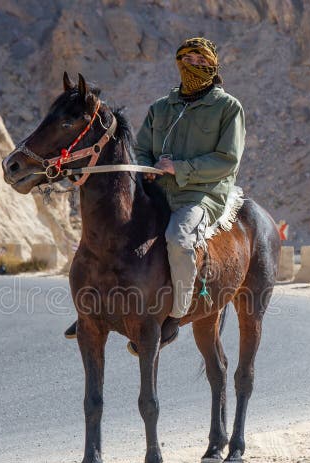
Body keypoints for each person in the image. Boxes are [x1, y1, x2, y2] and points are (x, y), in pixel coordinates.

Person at [65, 37, 246, 354]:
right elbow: (143, 149)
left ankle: (173, 316)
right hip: (158, 190)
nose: (196, 68)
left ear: (214, 67)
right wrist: (147, 167)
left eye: (203, 64)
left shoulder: (228, 108)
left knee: (178, 238)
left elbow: (227, 161)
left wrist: (180, 168)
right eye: (190, 62)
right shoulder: (161, 108)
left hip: (202, 194)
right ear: (179, 64)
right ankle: (92, 311)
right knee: (112, 230)